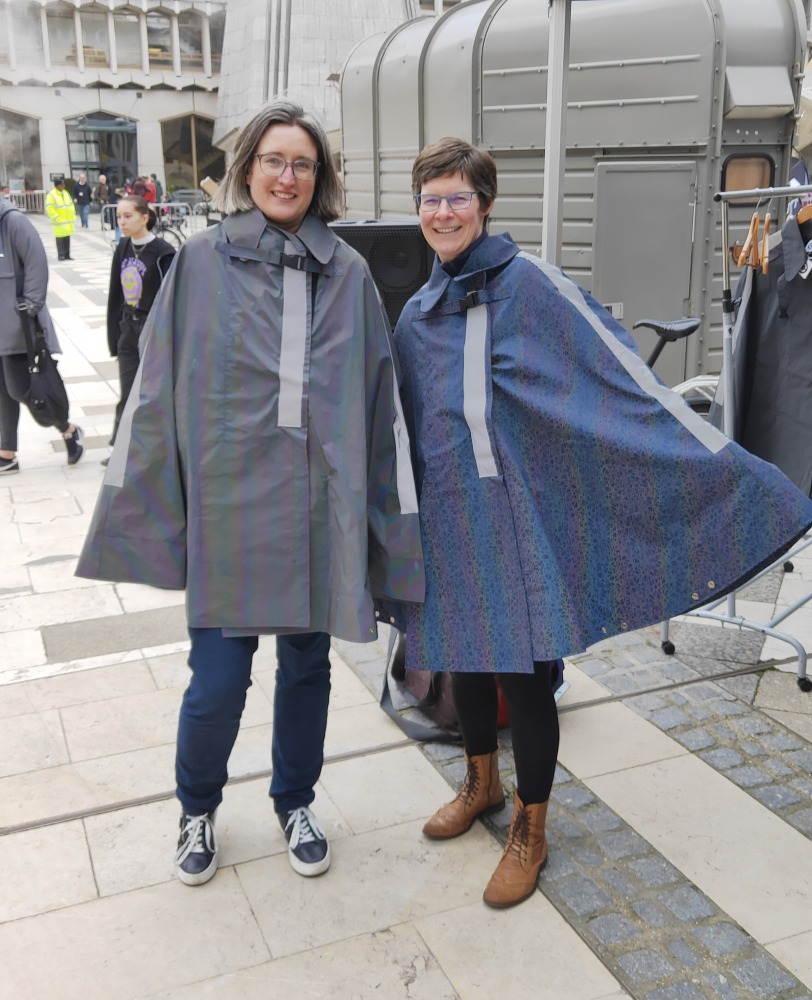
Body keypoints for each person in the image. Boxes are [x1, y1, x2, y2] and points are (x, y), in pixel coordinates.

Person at [381, 137, 812, 910]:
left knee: (520, 667)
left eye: (455, 197)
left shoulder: (531, 285)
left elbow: (617, 378)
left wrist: (704, 451)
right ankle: (479, 783)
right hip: (447, 513)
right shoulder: (416, 313)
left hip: (515, 515)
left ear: (484, 204)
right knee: (463, 657)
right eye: (429, 200)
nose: (441, 213)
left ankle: (531, 829)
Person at [75, 100, 423, 887]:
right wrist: (153, 509)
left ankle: (294, 799)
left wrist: (383, 526)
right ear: (248, 169)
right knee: (219, 682)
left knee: (307, 672)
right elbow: (158, 390)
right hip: (231, 514)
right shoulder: (202, 262)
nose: (286, 176)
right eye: (273, 160)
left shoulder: (352, 273)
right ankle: (196, 807)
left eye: (302, 163)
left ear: (321, 177)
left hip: (315, 517)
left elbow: (378, 406)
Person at [0, 197, 84, 472]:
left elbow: (36, 261)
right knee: (3, 392)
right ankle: (7, 452)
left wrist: (30, 307)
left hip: (16, 326)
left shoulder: (12, 221)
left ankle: (68, 430)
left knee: (22, 388)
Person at [103, 195, 176, 461]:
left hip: (153, 330)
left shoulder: (164, 252)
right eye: (119, 216)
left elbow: (173, 298)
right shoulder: (122, 247)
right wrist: (115, 334)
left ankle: (157, 450)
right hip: (128, 329)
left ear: (144, 218)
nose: (121, 221)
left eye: (127, 216)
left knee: (154, 392)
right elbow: (115, 294)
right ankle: (120, 450)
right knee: (127, 390)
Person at [44, 176, 76, 260]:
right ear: (57, 185)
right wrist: (56, 218)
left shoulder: (65, 193)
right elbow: (50, 208)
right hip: (59, 222)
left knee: (67, 238)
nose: (63, 186)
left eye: (63, 184)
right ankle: (61, 255)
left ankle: (67, 255)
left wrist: (72, 215)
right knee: (60, 239)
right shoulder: (51, 195)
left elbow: (71, 204)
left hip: (67, 221)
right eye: (61, 185)